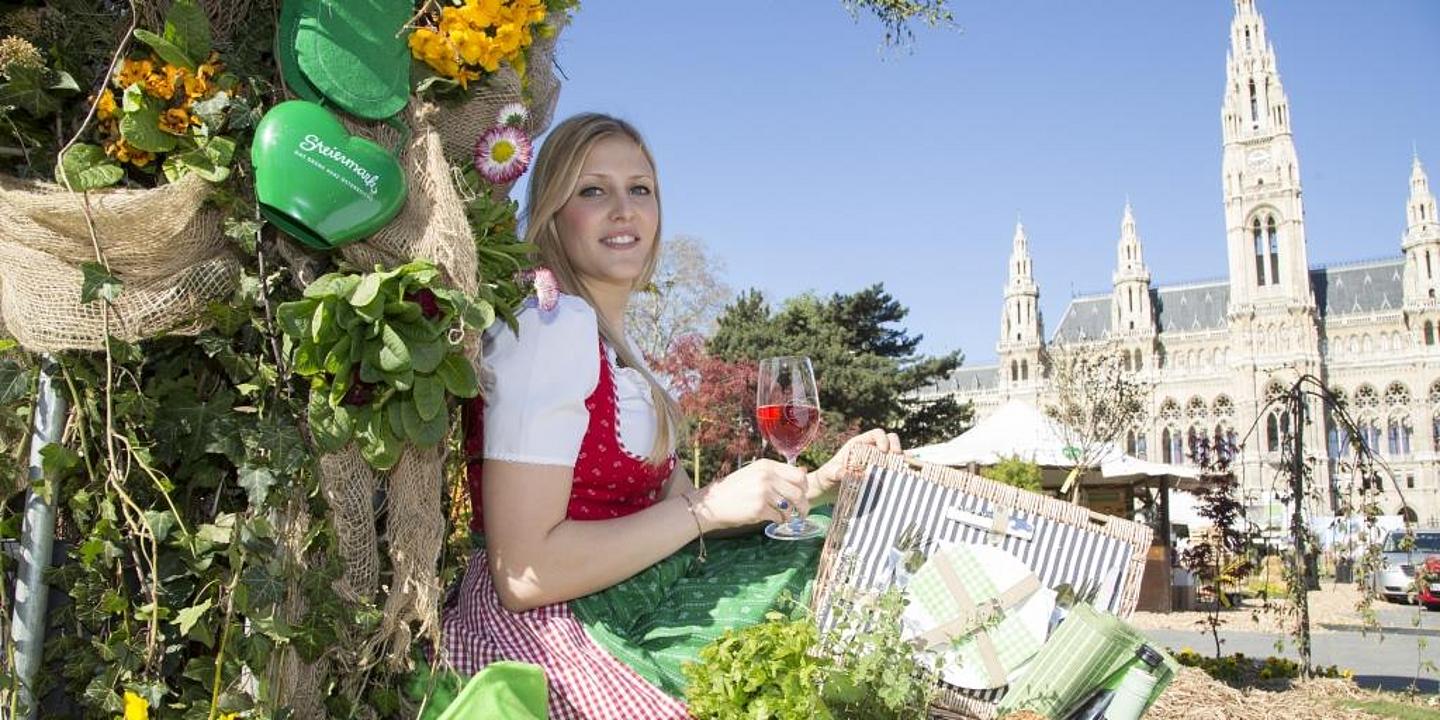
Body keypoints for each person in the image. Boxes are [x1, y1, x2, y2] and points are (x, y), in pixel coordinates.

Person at [441, 112, 901, 719]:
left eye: (640, 190)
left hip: (627, 594)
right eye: (593, 190)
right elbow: (525, 574)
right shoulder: (547, 327)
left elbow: (690, 511)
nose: (624, 210)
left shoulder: (612, 348)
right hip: (563, 631)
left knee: (845, 557)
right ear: (553, 210)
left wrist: (819, 485)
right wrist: (703, 509)